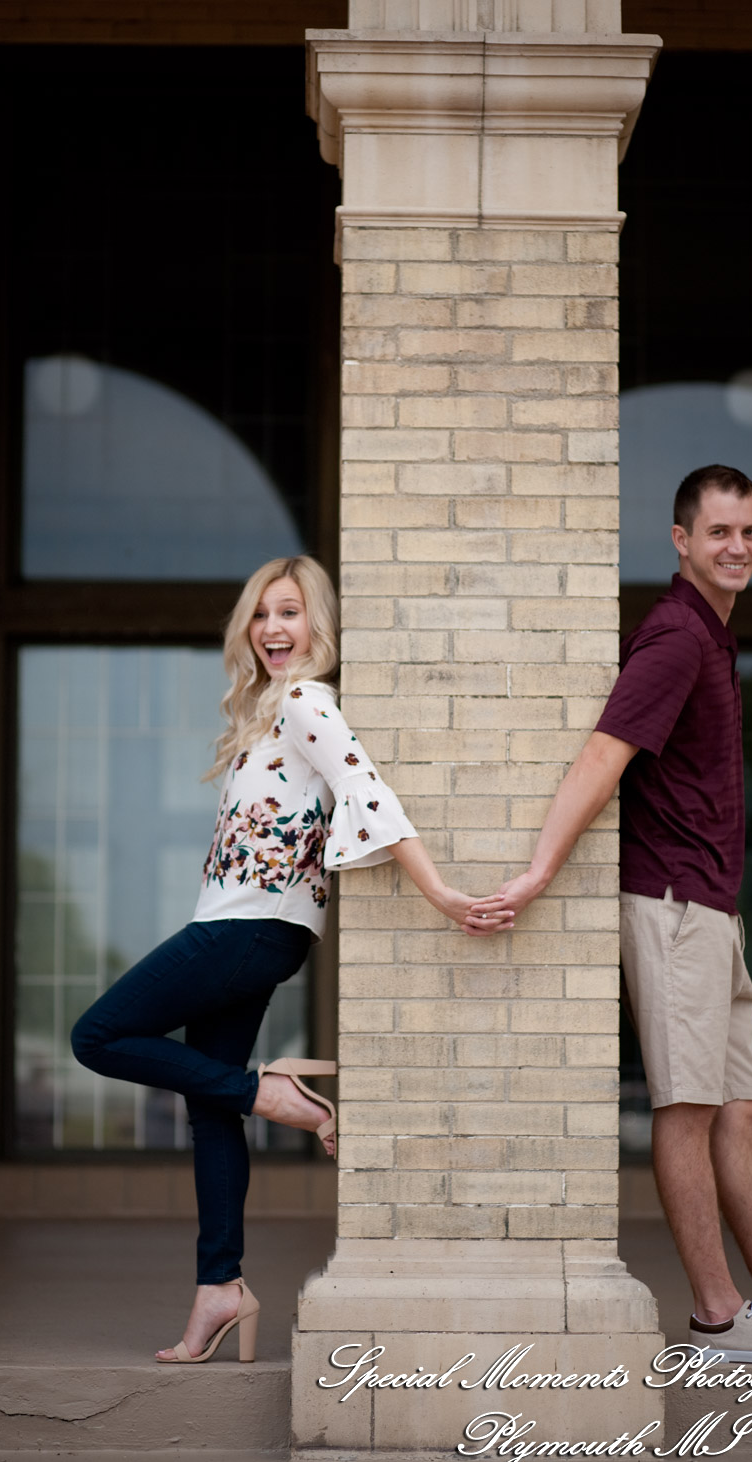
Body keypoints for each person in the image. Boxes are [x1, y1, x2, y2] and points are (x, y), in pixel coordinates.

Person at [470, 464, 752, 1365]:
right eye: (718, 533)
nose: (736, 547)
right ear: (681, 541)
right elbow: (602, 755)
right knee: (688, 1108)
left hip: (711, 909)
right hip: (670, 905)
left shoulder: (712, 637)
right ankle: (716, 1315)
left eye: (748, 532)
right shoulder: (674, 637)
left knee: (738, 1109)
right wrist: (539, 869)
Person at [72, 556, 512, 1365]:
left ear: (318, 625)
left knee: (95, 1037)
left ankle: (271, 1094)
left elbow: (367, 790)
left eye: (290, 613)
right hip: (244, 926)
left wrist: (440, 893)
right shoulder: (267, 713)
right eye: (261, 615)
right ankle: (220, 1290)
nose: (273, 629)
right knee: (210, 1110)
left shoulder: (308, 702)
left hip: (248, 931)